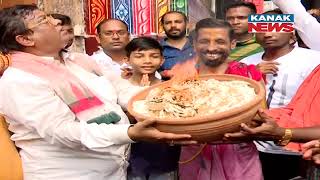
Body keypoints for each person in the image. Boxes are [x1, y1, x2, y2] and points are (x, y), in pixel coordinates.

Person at [0, 5, 194, 180]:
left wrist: (166, 95)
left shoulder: (76, 62)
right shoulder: (20, 80)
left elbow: (121, 89)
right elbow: (63, 132)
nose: (55, 22)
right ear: (25, 39)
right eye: (44, 20)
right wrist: (130, 133)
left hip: (113, 171)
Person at [176, 18, 264, 180]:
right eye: (204, 41)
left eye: (220, 41)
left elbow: (262, 117)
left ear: (232, 44)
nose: (211, 48)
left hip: (238, 156)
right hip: (194, 155)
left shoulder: (249, 75)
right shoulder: (182, 77)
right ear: (194, 44)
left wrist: (243, 131)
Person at [115, 37, 178, 180]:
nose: (147, 61)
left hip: (163, 152)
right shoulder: (118, 86)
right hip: (129, 152)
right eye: (139, 56)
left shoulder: (168, 88)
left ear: (162, 60)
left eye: (154, 56)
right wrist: (141, 96)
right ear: (127, 59)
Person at [159, 11, 195, 80]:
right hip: (169, 89)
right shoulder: (157, 48)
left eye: (178, 22)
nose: (173, 25)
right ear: (162, 26)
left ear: (187, 24)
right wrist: (165, 74)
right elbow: (150, 74)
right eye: (168, 23)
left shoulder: (199, 46)